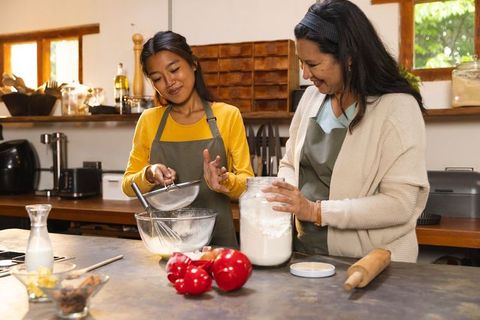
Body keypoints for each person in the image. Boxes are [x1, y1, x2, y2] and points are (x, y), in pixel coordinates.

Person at [264, 0, 430, 263]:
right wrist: (285, 195)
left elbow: (400, 204)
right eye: (301, 62)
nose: (305, 74)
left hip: (372, 263)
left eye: (313, 64)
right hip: (305, 255)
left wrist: (316, 212)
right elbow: (290, 164)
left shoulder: (397, 108)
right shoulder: (310, 99)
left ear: (349, 57)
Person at [122, 31, 254, 248]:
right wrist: (149, 173)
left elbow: (248, 185)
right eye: (157, 78)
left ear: (193, 63)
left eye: (174, 69)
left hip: (218, 247)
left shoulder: (228, 115)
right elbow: (128, 186)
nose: (169, 82)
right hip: (166, 245)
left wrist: (224, 181)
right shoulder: (149, 120)